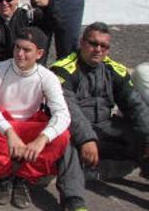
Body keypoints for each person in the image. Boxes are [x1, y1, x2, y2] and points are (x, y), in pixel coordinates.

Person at [0, 27, 81, 209]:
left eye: (26, 50)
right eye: (17, 48)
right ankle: (4, 177)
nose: (20, 54)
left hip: (27, 127)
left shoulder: (48, 77)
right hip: (3, 128)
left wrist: (42, 139)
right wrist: (9, 132)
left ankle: (24, 178)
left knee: (62, 136)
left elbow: (63, 114)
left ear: (39, 53)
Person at [51, 22, 149, 179]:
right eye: (93, 44)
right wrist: (87, 138)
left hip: (105, 128)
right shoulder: (62, 70)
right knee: (65, 142)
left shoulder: (115, 70)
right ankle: (74, 192)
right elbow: (70, 111)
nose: (98, 49)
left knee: (142, 135)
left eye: (104, 46)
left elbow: (135, 106)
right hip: (76, 132)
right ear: (82, 42)